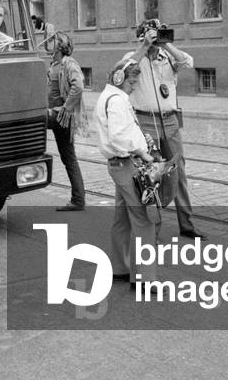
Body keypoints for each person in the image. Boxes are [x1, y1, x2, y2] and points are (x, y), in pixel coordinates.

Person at [123, 19, 205, 239]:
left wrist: (166, 43)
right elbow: (121, 72)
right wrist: (144, 47)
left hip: (170, 121)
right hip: (146, 122)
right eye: (151, 36)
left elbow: (188, 62)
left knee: (178, 173)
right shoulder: (134, 58)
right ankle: (152, 229)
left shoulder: (167, 57)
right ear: (141, 37)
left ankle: (186, 224)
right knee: (151, 175)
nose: (154, 41)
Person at [94, 57, 160, 286]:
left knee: (122, 219)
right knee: (144, 220)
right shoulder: (118, 101)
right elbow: (119, 137)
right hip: (127, 164)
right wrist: (142, 152)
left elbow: (121, 132)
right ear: (120, 78)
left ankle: (120, 267)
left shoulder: (109, 96)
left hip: (119, 166)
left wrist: (141, 140)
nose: (135, 85)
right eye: (133, 80)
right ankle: (144, 279)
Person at [46, 31, 86, 211]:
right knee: (68, 157)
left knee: (69, 157)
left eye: (52, 41)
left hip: (61, 116)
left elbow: (78, 86)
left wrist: (65, 108)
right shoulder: (54, 63)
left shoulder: (69, 63)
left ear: (60, 46)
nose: (48, 43)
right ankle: (78, 199)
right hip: (56, 113)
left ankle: (78, 200)